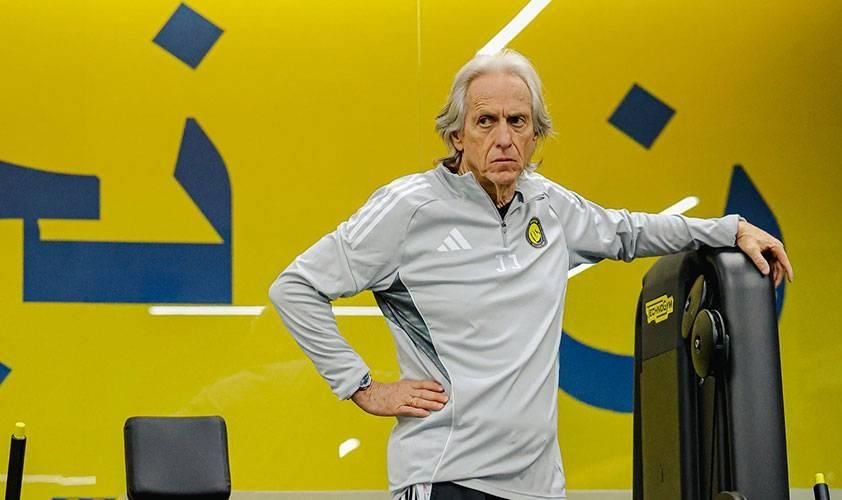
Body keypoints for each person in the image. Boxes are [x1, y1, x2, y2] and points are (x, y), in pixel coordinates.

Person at [269, 49, 792, 500]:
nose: (504, 138)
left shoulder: (548, 204)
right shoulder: (409, 208)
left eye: (517, 122)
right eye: (486, 121)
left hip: (538, 485)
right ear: (456, 135)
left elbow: (629, 231)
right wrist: (363, 387)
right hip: (445, 475)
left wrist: (731, 229)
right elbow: (296, 287)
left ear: (536, 135)